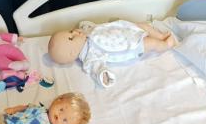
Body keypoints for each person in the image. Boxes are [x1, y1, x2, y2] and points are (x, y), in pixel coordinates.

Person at [47, 20, 176, 87]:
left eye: (70, 32)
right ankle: (165, 45)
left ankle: (161, 35)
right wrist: (103, 74)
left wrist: (84, 25)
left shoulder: (84, 35)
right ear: (72, 53)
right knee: (150, 43)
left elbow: (93, 28)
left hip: (124, 31)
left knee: (143, 26)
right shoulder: (89, 56)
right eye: (71, 37)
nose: (74, 32)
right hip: (127, 46)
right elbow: (96, 67)